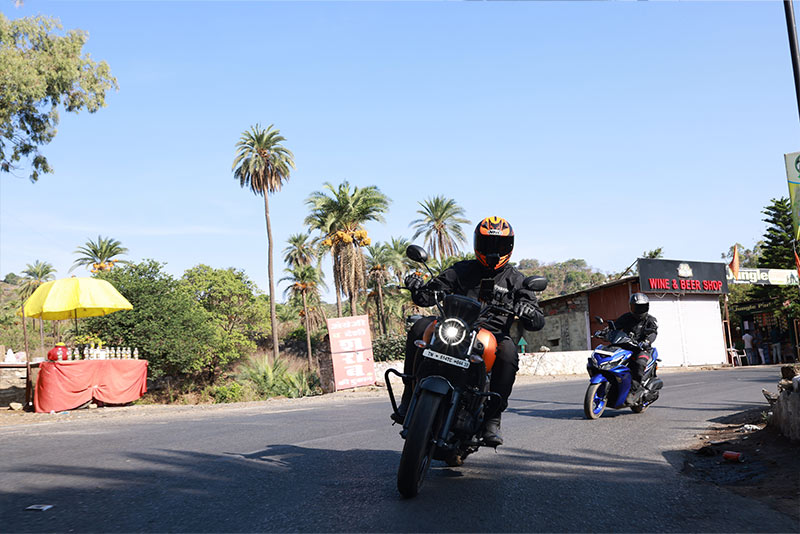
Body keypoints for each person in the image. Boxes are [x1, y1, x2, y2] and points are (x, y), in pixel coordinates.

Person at [394, 216, 545, 447]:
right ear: (477, 244)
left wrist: (529, 311)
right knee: (420, 326)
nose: (493, 251)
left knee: (507, 352)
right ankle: (408, 395)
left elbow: (536, 320)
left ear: (509, 247)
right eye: (488, 245)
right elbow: (429, 294)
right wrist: (417, 288)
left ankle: (492, 419)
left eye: (499, 246)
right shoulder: (461, 270)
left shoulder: (516, 280)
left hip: (491, 336)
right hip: (455, 327)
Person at [612, 293, 658, 405]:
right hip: (625, 346)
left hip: (641, 349)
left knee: (639, 363)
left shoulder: (650, 320)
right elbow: (614, 326)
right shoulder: (626, 317)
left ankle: (633, 391)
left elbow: (653, 332)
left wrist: (647, 341)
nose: (639, 310)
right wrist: (604, 332)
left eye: (641, 307)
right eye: (636, 307)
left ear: (647, 307)